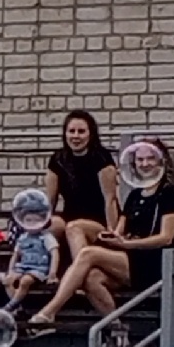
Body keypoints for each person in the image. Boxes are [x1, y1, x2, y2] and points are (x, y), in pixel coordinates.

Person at [28, 135, 174, 328]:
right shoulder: (135, 195)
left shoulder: (170, 193)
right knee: (91, 278)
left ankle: (50, 311)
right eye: (140, 159)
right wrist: (110, 237)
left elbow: (166, 237)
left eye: (150, 158)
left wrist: (127, 244)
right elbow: (119, 230)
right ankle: (117, 329)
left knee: (88, 254)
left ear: (162, 160)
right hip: (132, 258)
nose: (145, 164)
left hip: (156, 261)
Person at [44, 110, 119, 264]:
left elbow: (110, 200)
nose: (76, 136)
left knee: (74, 227)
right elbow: (50, 201)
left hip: (98, 221)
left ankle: (80, 275)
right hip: (70, 215)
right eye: (71, 131)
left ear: (90, 134)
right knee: (53, 224)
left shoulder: (102, 159)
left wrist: (113, 232)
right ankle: (42, 271)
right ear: (65, 134)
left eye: (81, 131)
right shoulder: (58, 160)